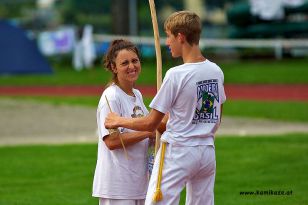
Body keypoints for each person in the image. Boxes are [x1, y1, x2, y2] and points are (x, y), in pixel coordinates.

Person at [105, 11, 226, 205]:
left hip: (179, 152)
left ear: (180, 37)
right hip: (207, 152)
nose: (167, 42)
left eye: (169, 36)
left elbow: (150, 122)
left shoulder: (176, 75)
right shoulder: (216, 71)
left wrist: (118, 120)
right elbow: (216, 118)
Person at [92, 39, 160, 205]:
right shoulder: (111, 97)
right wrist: (149, 131)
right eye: (125, 63)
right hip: (118, 186)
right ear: (114, 68)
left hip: (139, 182)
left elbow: (147, 128)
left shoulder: (137, 94)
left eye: (135, 61)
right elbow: (112, 141)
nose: (132, 66)